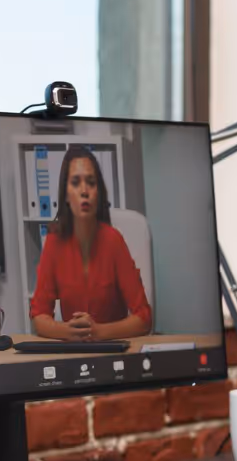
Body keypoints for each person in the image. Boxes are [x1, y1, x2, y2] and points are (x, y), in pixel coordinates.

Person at [30, 146, 152, 341]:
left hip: (113, 353)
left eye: (91, 183)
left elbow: (144, 318)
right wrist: (69, 331)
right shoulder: (54, 243)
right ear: (66, 195)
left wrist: (98, 332)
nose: (84, 191)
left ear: (99, 193)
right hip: (75, 353)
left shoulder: (114, 241)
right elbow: (39, 316)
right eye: (76, 183)